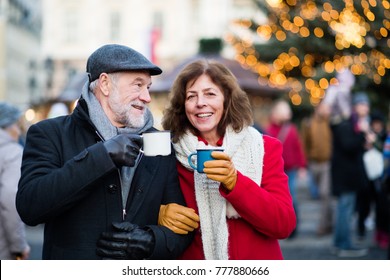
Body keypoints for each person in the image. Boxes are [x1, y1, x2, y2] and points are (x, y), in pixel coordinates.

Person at [16, 44, 193, 260]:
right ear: (105, 84)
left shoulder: (159, 142)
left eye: (148, 87)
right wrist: (102, 156)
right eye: (138, 85)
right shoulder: (49, 134)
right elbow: (30, 207)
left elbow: (182, 228)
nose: (147, 96)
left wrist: (151, 240)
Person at [159, 60, 296, 259]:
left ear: (227, 99)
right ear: (183, 105)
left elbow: (284, 225)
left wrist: (236, 183)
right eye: (191, 96)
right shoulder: (168, 153)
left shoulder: (265, 148)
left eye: (210, 94)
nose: (200, 103)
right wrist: (157, 214)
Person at [330, 92, 373, 257]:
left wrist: (364, 142)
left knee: (346, 210)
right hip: (345, 177)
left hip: (349, 176)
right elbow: (348, 146)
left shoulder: (354, 123)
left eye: (366, 105)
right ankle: (343, 244)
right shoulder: (347, 124)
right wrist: (362, 135)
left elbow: (354, 148)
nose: (365, 107)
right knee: (345, 211)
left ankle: (341, 243)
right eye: (362, 104)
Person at [266, 99, 307, 238]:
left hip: (291, 169)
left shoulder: (291, 129)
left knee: (292, 197)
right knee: (277, 198)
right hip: (275, 169)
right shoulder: (269, 130)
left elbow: (298, 148)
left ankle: (293, 227)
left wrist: (302, 166)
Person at [0, 102, 30, 260]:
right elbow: (11, 201)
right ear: (8, 125)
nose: (19, 131)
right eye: (17, 125)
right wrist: (19, 246)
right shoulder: (12, 153)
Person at [301, 102, 333, 236]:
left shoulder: (331, 123)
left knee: (325, 193)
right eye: (323, 108)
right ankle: (329, 222)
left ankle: (323, 225)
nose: (326, 111)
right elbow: (304, 142)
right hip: (314, 163)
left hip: (327, 163)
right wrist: (306, 160)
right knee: (322, 195)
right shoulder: (309, 123)